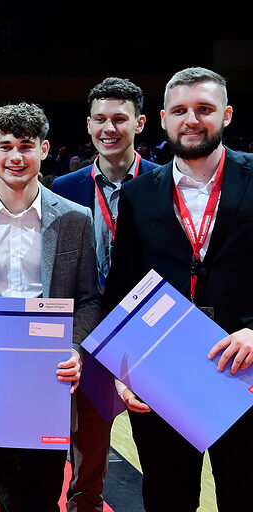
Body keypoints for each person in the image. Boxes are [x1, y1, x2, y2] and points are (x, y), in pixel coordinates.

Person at [0, 102, 101, 512]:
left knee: (37, 502)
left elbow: (89, 299)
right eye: (5, 146)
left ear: (44, 150)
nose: (15, 157)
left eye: (26, 146)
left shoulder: (76, 218)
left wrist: (75, 350)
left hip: (45, 387)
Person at [103, 67, 253, 512]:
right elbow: (122, 287)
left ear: (225, 115)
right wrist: (122, 367)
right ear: (164, 119)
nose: (192, 119)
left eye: (204, 109)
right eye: (180, 110)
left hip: (244, 367)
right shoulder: (138, 194)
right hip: (164, 372)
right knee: (168, 496)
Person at [51, 77, 160, 512]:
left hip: (146, 329)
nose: (108, 128)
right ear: (89, 124)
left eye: (119, 118)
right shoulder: (65, 187)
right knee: (87, 442)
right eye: (100, 119)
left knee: (158, 442)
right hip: (89, 325)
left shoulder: (162, 181)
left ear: (140, 123)